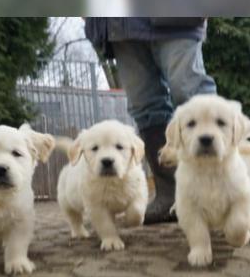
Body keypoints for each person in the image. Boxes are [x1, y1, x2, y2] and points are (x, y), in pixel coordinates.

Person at [85, 17, 217, 224]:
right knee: (145, 106)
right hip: (120, 23)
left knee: (190, 92)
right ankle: (169, 193)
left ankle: (219, 191)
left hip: (175, 8)